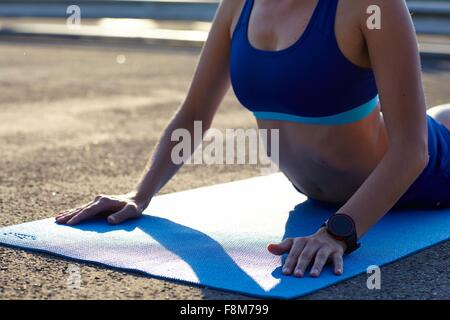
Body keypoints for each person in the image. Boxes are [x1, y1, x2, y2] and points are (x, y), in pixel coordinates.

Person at [55, 0, 450, 278]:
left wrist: (338, 233)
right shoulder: (238, 5)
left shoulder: (370, 5)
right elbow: (194, 113)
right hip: (322, 196)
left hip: (430, 175)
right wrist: (140, 195)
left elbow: (412, 150)